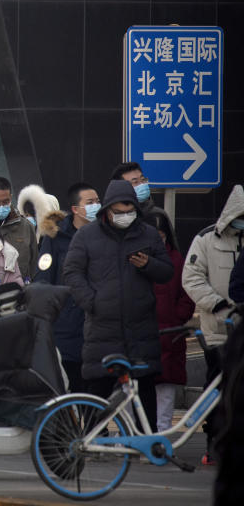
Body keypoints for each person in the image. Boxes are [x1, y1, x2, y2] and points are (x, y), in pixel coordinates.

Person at [62, 179, 173, 432]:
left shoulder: (148, 234)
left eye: (129, 212)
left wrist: (148, 265)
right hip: (102, 326)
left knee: (144, 386)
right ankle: (91, 440)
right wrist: (91, 301)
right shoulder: (87, 235)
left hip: (141, 326)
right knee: (99, 386)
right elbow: (72, 272)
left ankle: (148, 441)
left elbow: (167, 271)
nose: (125, 217)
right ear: (107, 210)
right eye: (119, 212)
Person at [182, 183, 244, 464]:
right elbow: (191, 278)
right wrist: (216, 304)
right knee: (216, 391)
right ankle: (214, 444)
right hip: (218, 331)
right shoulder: (207, 239)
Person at [34, 182, 101, 393]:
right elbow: (44, 278)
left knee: (96, 384)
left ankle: (97, 425)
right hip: (66, 324)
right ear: (75, 208)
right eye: (90, 202)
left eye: (98, 202)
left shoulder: (105, 234)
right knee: (68, 383)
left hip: (99, 319)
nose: (96, 206)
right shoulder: (55, 236)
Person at [145, 211, 195, 433]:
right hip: (143, 332)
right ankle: (136, 435)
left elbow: (187, 293)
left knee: (165, 390)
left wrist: (178, 317)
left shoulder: (177, 259)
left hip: (170, 334)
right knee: (137, 389)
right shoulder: (135, 258)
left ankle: (162, 434)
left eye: (161, 234)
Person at [0, 176, 38, 279]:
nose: (1, 206)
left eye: (5, 202)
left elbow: (34, 262)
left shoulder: (25, 226)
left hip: (22, 288)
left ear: (11, 197)